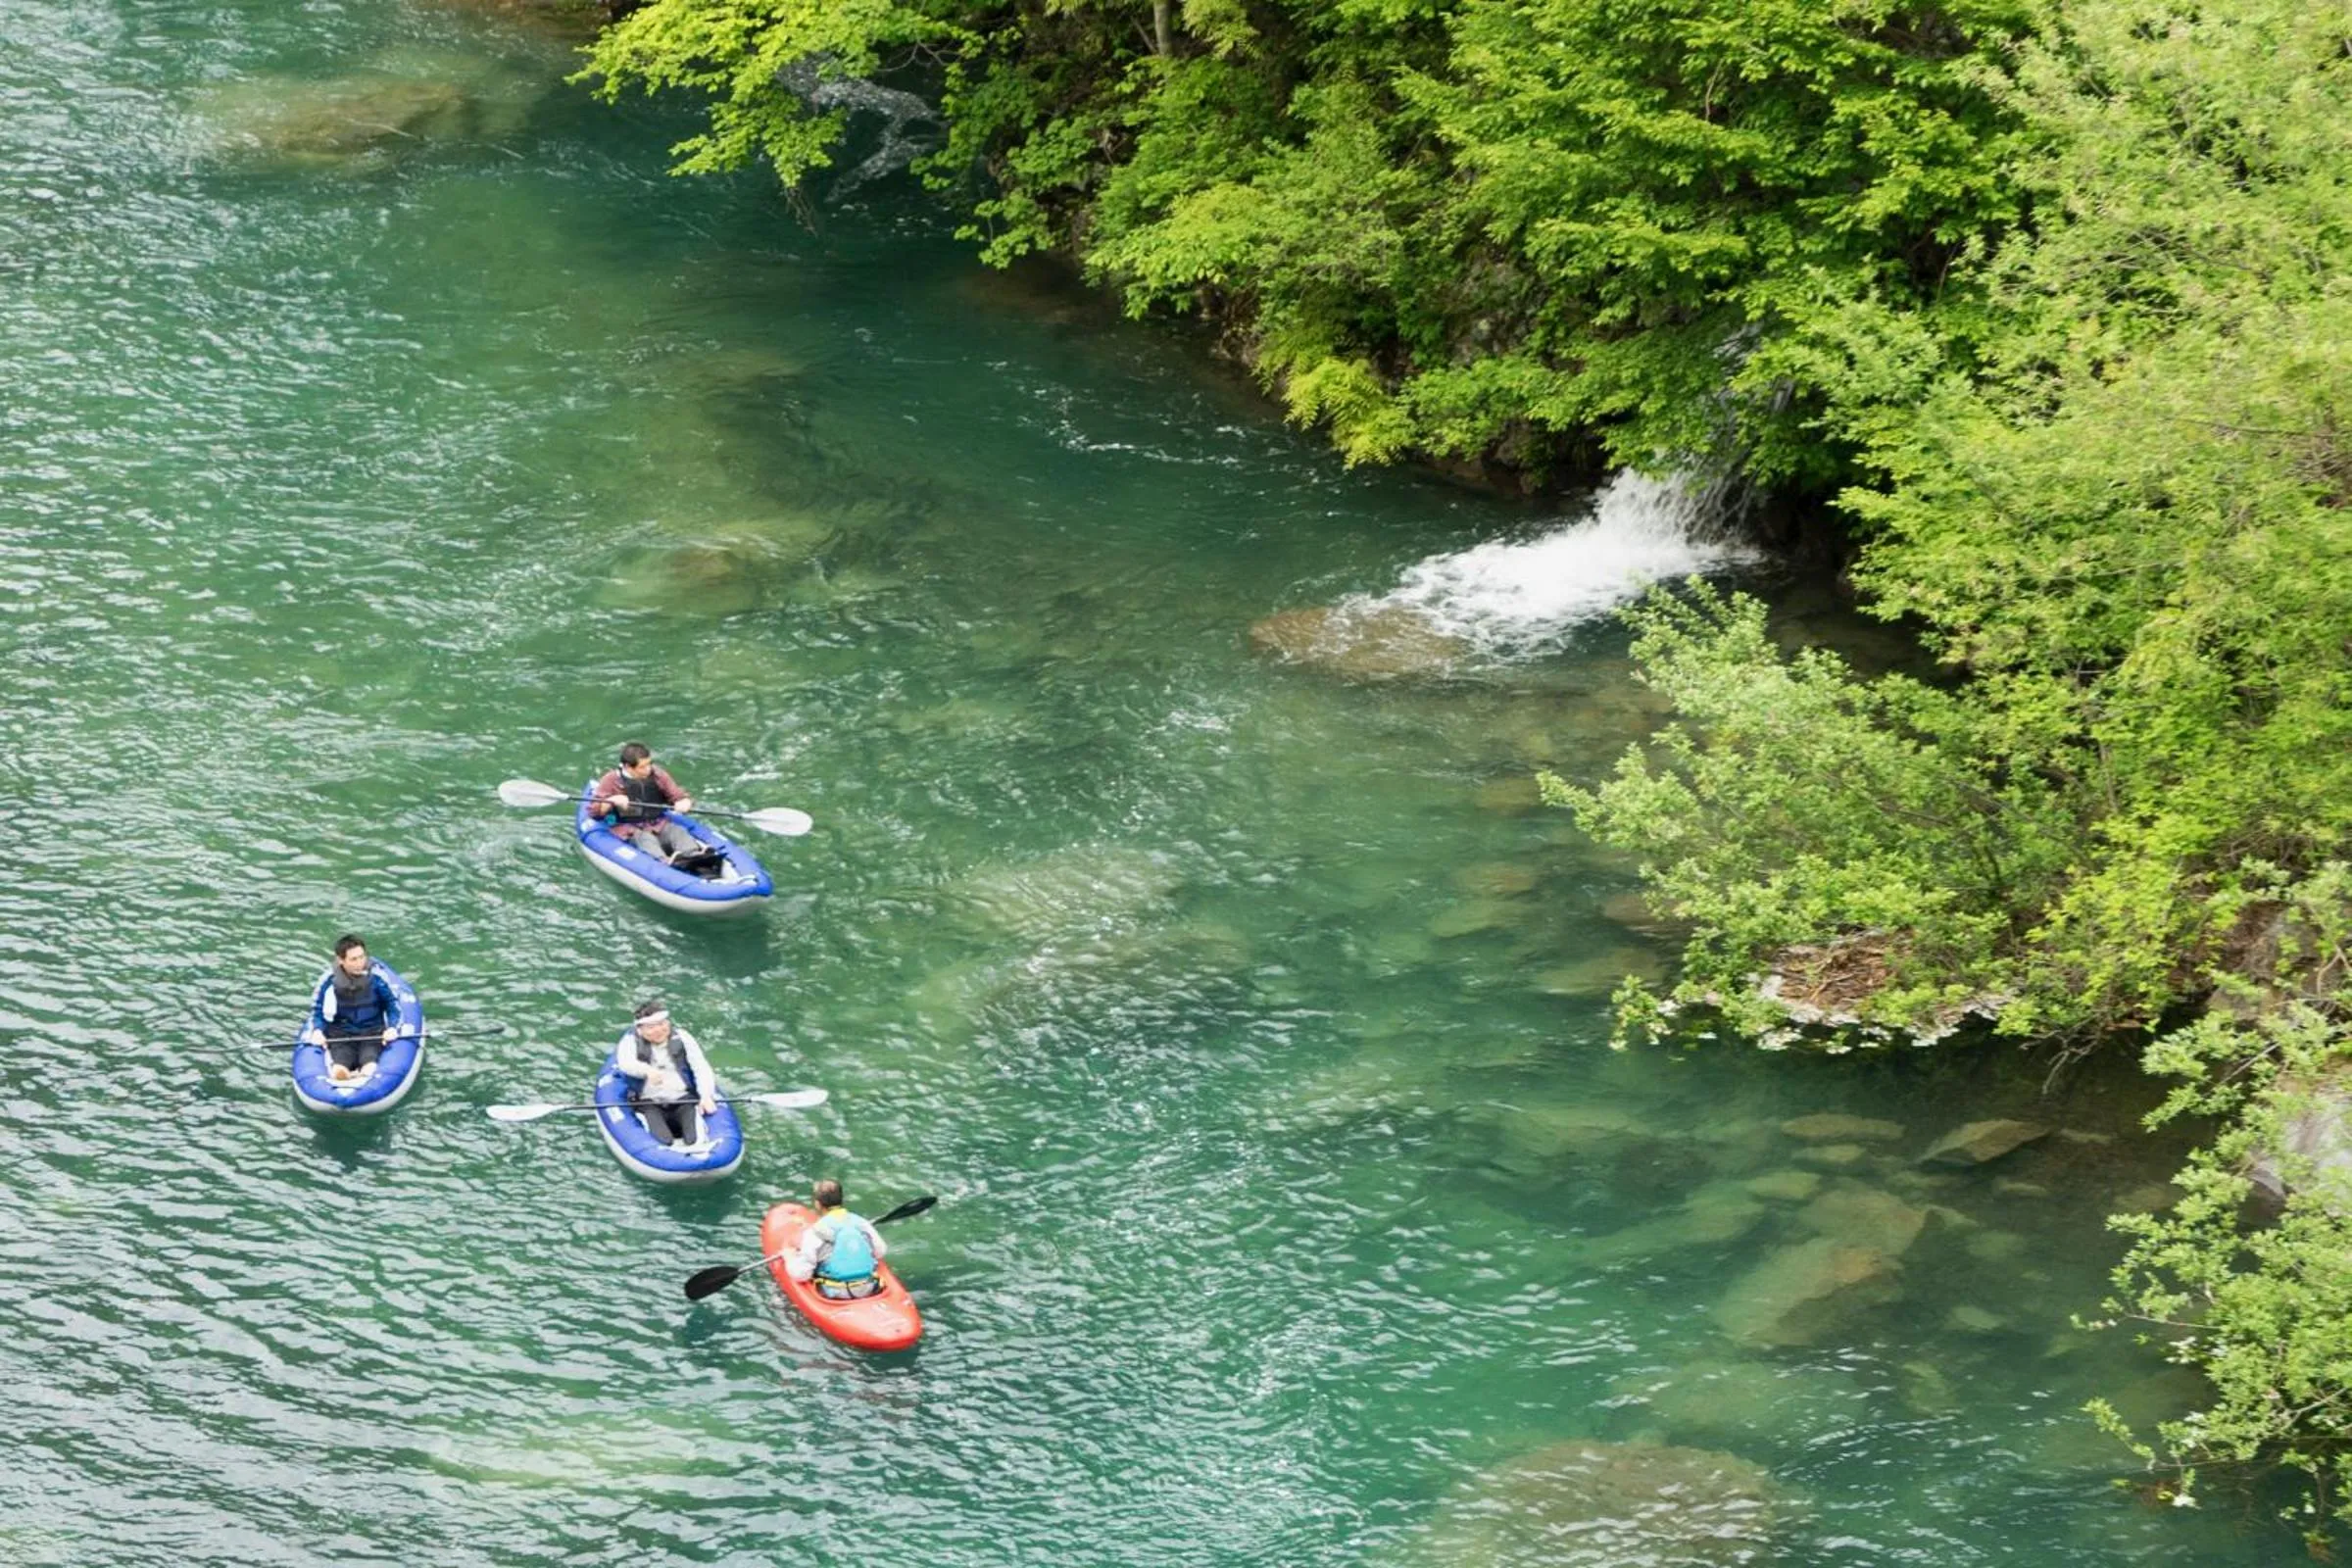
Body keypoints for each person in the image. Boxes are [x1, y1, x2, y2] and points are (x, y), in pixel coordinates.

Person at [613, 1000, 718, 1150]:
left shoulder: (683, 1038)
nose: (658, 1030)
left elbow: (700, 1067)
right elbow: (626, 1064)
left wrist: (706, 1095)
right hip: (648, 1102)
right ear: (640, 1029)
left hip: (682, 1099)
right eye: (651, 1027)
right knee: (663, 1141)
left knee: (695, 1140)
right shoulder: (629, 1042)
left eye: (662, 1024)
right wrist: (647, 1071)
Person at [587, 742, 704, 866]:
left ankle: (693, 856)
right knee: (646, 840)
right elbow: (595, 813)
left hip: (658, 823)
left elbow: (678, 796)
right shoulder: (611, 780)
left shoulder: (658, 775)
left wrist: (684, 803)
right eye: (643, 767)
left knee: (677, 831)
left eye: (649, 764)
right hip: (631, 828)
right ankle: (665, 863)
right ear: (628, 767)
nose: (648, 769)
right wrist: (612, 800)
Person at [303, 934, 400, 1084]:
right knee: (339, 1066)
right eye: (353, 959)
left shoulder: (377, 978)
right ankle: (342, 1076)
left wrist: (393, 1027)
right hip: (341, 1034)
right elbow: (317, 1011)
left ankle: (364, 1077)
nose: (359, 963)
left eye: (362, 957)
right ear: (341, 960)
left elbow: (392, 1005)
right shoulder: (328, 981)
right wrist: (317, 1030)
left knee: (370, 1063)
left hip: (372, 1033)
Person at [787, 1179, 889, 1299]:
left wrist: (789, 1257)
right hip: (870, 1287)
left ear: (818, 1204)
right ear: (842, 1200)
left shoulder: (814, 1232)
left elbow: (801, 1274)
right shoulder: (861, 1223)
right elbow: (880, 1251)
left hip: (836, 1294)